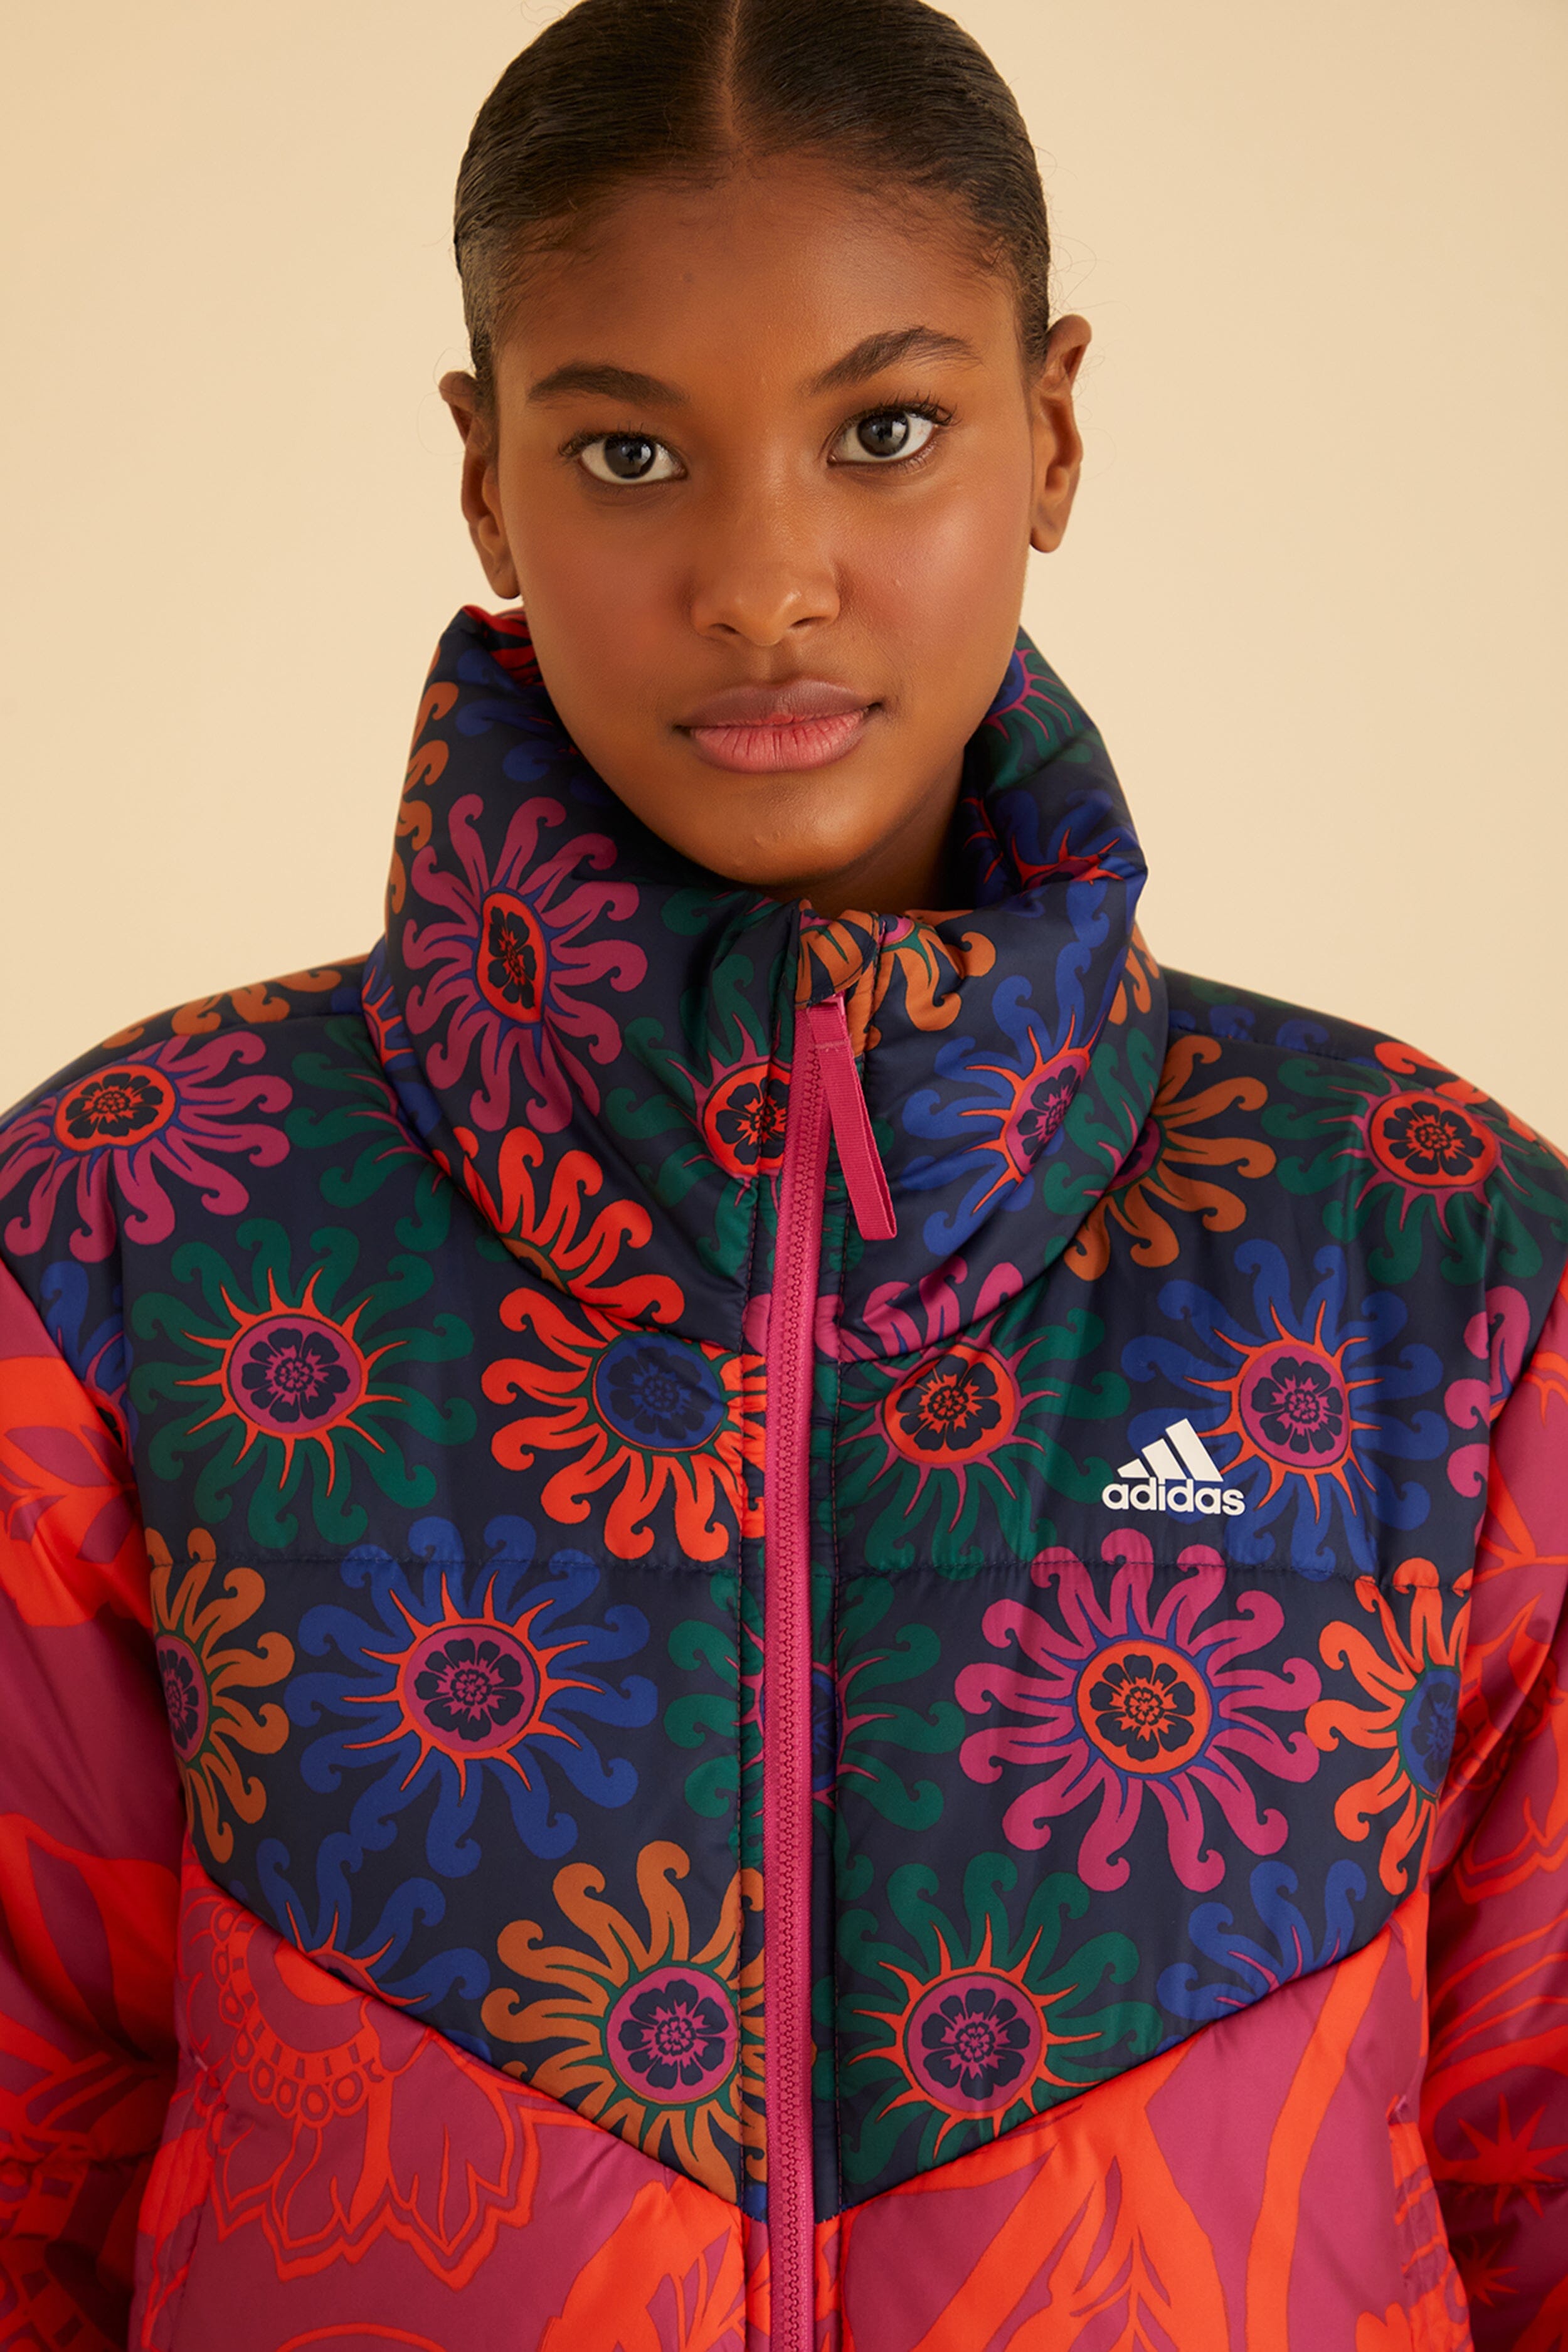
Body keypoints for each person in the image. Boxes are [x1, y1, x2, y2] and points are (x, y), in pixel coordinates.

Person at [1, 1, 1564, 2344]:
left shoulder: (1432, 1258)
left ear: (1050, 430)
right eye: (628, 453)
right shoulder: (125, 1238)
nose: (762, 576)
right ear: (483, 475)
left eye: (885, 430)